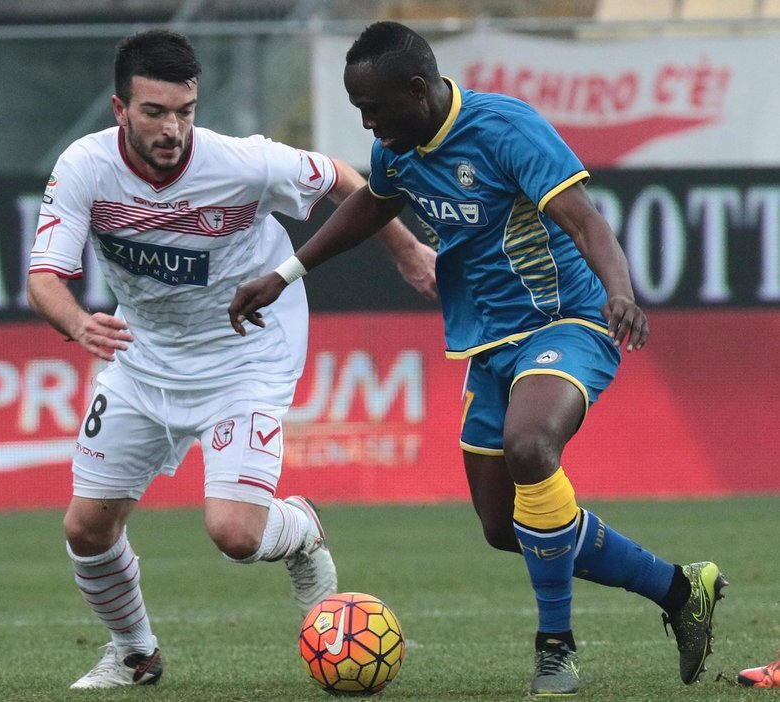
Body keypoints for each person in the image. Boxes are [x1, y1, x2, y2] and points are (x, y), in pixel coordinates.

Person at [229, 21, 726, 697]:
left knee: (530, 447)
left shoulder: (505, 129)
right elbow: (373, 206)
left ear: (417, 89)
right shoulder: (399, 148)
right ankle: (679, 589)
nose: (367, 123)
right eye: (357, 110)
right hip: (488, 345)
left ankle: (556, 648)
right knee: (505, 527)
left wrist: (620, 294)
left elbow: (585, 219)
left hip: (568, 323)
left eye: (373, 108)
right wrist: (286, 272)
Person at [26, 28, 437, 690]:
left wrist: (408, 252)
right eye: (155, 112)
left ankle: (300, 528)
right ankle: (135, 655)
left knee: (235, 534)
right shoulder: (84, 168)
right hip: (142, 355)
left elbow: (340, 177)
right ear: (119, 110)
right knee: (87, 528)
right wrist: (78, 322)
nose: (173, 129)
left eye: (184, 111)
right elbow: (44, 278)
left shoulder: (240, 163)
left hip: (246, 352)